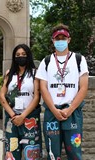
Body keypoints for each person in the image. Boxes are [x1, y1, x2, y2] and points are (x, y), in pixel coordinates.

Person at [36, 24, 89, 160]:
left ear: (69, 39)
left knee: (74, 152)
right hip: (52, 113)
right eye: (57, 38)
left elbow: (83, 87)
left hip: (72, 113)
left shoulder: (79, 59)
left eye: (63, 38)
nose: (60, 41)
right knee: (53, 154)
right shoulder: (46, 61)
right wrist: (54, 110)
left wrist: (70, 109)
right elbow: (43, 88)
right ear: (53, 41)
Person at [0, 44, 41, 160]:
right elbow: (2, 96)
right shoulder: (9, 74)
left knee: (32, 154)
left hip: (30, 119)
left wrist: (23, 116)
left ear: (28, 56)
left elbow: (36, 97)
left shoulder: (35, 73)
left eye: (23, 54)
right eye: (17, 55)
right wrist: (13, 115)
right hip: (12, 119)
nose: (20, 57)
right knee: (11, 155)